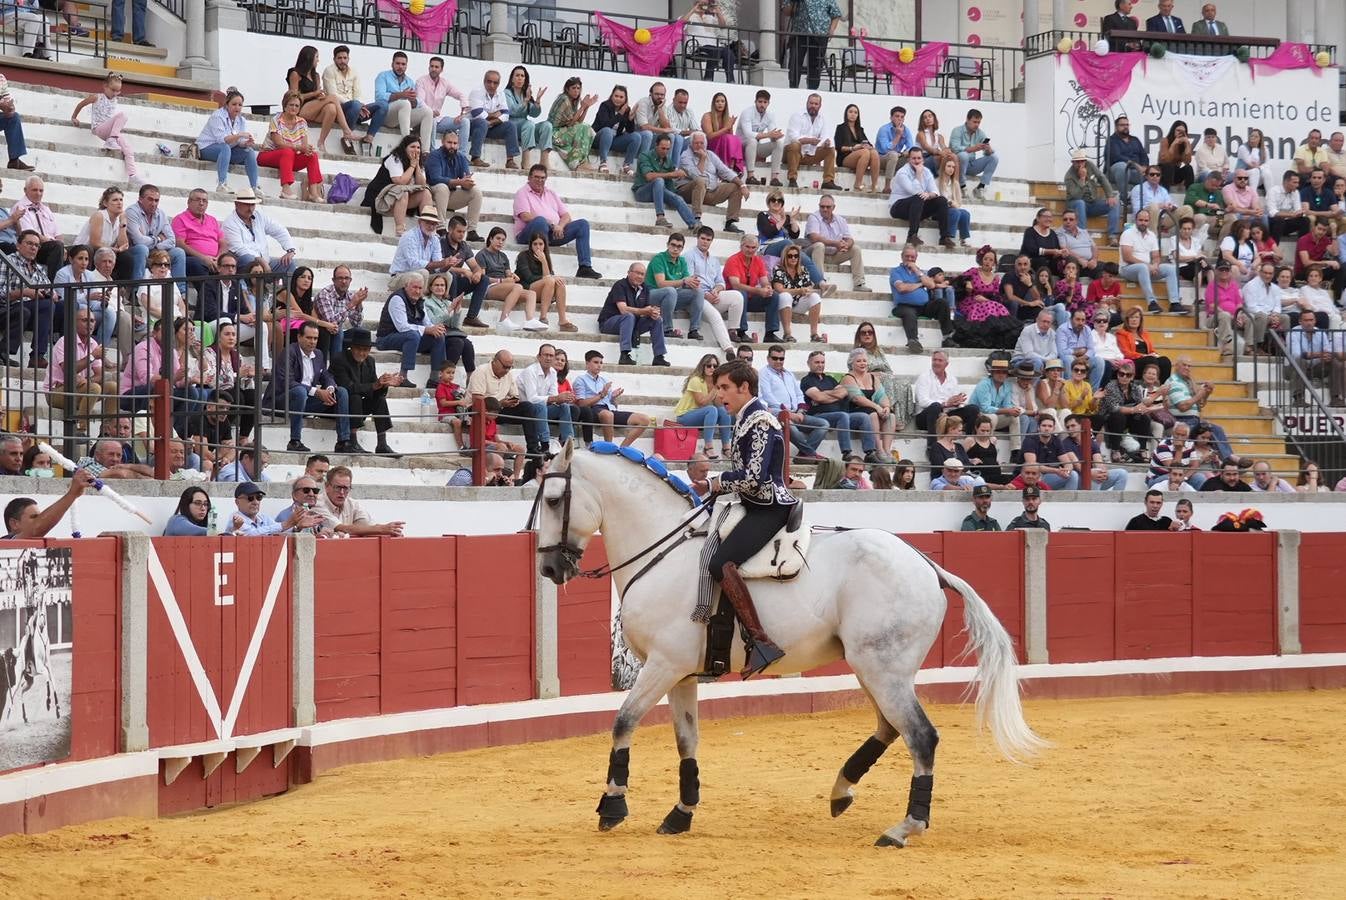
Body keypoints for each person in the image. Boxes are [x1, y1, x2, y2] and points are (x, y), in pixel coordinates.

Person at [704, 358, 794, 676]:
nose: (719, 395)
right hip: (755, 504)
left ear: (744, 387)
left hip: (769, 507)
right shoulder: (747, 418)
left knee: (720, 563)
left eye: (724, 387)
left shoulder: (760, 421)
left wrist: (719, 481)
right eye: (717, 388)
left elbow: (754, 478)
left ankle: (761, 642)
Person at [262, 321, 360, 454]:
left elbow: (326, 376)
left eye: (315, 338)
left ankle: (343, 441)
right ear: (299, 337)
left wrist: (330, 389)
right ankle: (294, 441)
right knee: (300, 391)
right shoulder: (289, 352)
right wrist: (317, 392)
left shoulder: (318, 354)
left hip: (305, 402)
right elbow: (287, 382)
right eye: (309, 338)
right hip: (281, 402)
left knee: (341, 392)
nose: (312, 342)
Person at [513, 164, 601, 279]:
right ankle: (546, 267)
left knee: (582, 224)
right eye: (536, 177)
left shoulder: (551, 193)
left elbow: (566, 216)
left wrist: (560, 226)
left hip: (553, 233)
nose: (540, 180)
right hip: (530, 235)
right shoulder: (522, 192)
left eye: (542, 178)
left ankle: (585, 267)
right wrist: (551, 224)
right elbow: (525, 216)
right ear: (529, 178)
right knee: (540, 221)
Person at [46, 307, 117, 435]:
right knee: (94, 388)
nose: (90, 324)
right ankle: (80, 429)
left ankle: (107, 431)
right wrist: (92, 356)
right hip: (57, 391)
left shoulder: (93, 344)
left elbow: (100, 375)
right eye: (85, 320)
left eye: (92, 321)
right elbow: (68, 370)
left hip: (80, 389)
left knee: (113, 387)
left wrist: (85, 381)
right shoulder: (65, 341)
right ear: (75, 323)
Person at [330, 328, 401, 457]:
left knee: (380, 400)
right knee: (355, 396)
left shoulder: (370, 361)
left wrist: (384, 385)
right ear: (351, 347)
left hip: (357, 409)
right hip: (339, 408)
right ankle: (352, 440)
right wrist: (374, 385)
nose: (362, 353)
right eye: (359, 349)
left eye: (365, 350)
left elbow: (373, 391)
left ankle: (382, 443)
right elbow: (347, 387)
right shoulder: (340, 359)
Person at [801, 349, 879, 463]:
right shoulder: (806, 380)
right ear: (809, 363)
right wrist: (833, 395)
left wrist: (825, 394)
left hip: (840, 415)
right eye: (817, 362)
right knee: (842, 415)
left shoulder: (830, 379)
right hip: (819, 416)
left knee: (863, 416)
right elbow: (818, 397)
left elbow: (844, 392)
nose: (820, 365)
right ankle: (847, 452)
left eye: (822, 362)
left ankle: (870, 452)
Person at [376, 272, 449, 389]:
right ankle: (402, 377)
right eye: (414, 287)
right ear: (406, 286)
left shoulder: (420, 301)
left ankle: (435, 378)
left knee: (438, 336)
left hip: (408, 339)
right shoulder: (397, 299)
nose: (417, 291)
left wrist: (436, 329)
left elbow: (427, 322)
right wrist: (427, 329)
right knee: (413, 335)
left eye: (420, 288)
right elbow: (402, 327)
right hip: (386, 338)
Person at [758, 344, 828, 459]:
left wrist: (800, 412)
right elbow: (768, 396)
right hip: (776, 413)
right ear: (768, 359)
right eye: (775, 358)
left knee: (824, 424)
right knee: (790, 426)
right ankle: (811, 454)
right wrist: (787, 412)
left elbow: (799, 394)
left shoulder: (789, 374)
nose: (778, 361)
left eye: (781, 358)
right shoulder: (763, 373)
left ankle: (804, 455)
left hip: (795, 413)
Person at [70, 73, 140, 187]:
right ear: (105, 86)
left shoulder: (115, 100)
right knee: (123, 116)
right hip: (99, 128)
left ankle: (132, 175)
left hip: (110, 132)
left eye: (118, 91)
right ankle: (111, 140)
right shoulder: (97, 97)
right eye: (113, 90)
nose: (115, 93)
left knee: (128, 148)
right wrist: (74, 117)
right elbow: (81, 104)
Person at [572, 349, 650, 447]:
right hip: (592, 411)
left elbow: (612, 405)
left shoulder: (604, 380)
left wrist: (613, 398)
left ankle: (623, 448)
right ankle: (609, 447)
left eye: (601, 363)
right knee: (608, 415)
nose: (599, 365)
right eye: (596, 362)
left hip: (608, 410)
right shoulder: (580, 380)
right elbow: (581, 404)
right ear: (587, 364)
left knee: (644, 419)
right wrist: (601, 395)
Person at [676, 130, 749, 234]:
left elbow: (725, 171)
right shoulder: (685, 156)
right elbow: (696, 175)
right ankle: (696, 218)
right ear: (691, 144)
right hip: (689, 192)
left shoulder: (710, 154)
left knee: (735, 186)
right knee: (700, 181)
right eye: (696, 143)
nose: (699, 145)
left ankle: (730, 223)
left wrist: (742, 185)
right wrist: (702, 158)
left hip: (709, 191)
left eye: (701, 143)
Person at [600, 263, 670, 367]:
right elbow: (623, 310)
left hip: (632, 323)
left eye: (642, 274)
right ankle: (624, 355)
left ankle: (659, 356)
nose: (640, 276)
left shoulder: (645, 288)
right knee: (628, 316)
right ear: (629, 273)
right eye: (637, 273)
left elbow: (646, 308)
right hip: (610, 323)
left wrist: (652, 312)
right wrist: (644, 311)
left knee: (657, 319)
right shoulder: (620, 285)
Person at [2, 229, 55, 367]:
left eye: (37, 245)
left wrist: (52, 294)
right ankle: (37, 355)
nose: (33, 247)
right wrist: (23, 292)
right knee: (44, 306)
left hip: (34, 310)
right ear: (18, 245)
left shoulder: (39, 268)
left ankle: (67, 357)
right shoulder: (7, 261)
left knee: (66, 307)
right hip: (10, 307)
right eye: (29, 243)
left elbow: (50, 290)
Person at [323, 45, 388, 156]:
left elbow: (357, 93)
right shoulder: (329, 71)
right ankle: (347, 138)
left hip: (356, 109)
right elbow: (333, 95)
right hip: (340, 110)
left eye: (345, 58)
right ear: (334, 59)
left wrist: (359, 107)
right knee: (355, 104)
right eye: (339, 58)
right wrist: (358, 105)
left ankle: (368, 139)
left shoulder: (353, 71)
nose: (342, 61)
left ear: (348, 58)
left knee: (383, 105)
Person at [889, 242, 954, 353]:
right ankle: (913, 341)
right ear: (902, 256)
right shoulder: (896, 271)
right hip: (904, 306)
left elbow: (931, 285)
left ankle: (947, 338)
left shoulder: (920, 272)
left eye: (912, 257)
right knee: (909, 313)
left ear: (916, 258)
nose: (910, 259)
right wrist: (920, 284)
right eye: (907, 256)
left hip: (923, 306)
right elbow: (902, 288)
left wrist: (916, 271)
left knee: (942, 303)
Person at [196, 90, 261, 197]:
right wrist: (239, 135)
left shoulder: (241, 120)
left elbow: (239, 142)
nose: (237, 107)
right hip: (206, 148)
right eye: (234, 104)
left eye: (240, 105)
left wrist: (246, 143)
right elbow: (222, 140)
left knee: (249, 151)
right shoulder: (218, 116)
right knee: (225, 148)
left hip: (227, 151)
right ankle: (222, 184)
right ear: (227, 105)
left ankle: (255, 187)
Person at [515, 343, 574, 456]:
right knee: (540, 406)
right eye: (545, 355)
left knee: (564, 407)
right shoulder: (530, 371)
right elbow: (532, 399)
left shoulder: (553, 372)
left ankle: (568, 443)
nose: (548, 358)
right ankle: (545, 445)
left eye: (551, 356)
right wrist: (556, 398)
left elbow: (554, 396)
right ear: (539, 357)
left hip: (540, 410)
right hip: (525, 409)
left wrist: (564, 398)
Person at [423, 130, 484, 240]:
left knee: (476, 192)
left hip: (450, 195)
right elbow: (435, 179)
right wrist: (460, 182)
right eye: (449, 142)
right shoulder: (434, 155)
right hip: (433, 195)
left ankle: (471, 231)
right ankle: (440, 227)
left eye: (455, 143)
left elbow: (465, 178)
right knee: (442, 187)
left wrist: (467, 183)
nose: (452, 146)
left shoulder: (461, 157)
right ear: (443, 142)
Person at [889, 148, 954, 250]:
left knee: (941, 200)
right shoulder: (902, 173)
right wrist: (918, 175)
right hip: (898, 207)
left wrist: (929, 195)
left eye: (919, 158)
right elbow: (914, 191)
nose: (916, 161)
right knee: (918, 197)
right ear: (908, 159)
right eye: (913, 158)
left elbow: (935, 191)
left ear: (923, 159)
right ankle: (912, 235)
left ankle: (944, 237)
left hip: (917, 207)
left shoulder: (926, 172)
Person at [222, 189, 296, 276]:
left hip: (266, 262)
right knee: (247, 258)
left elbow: (279, 230)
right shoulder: (230, 222)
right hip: (246, 264)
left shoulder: (259, 216)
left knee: (289, 263)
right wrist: (261, 261)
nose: (250, 209)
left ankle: (284, 286)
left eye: (252, 205)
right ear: (237, 204)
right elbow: (239, 249)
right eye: (247, 205)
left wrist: (290, 250)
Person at [2, 470, 95, 539]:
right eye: (34, 517)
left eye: (40, 517)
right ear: (14, 524)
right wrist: (72, 494)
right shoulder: (5, 543)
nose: (41, 520)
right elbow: (36, 530)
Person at [1119, 208, 1180, 313]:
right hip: (1127, 269)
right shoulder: (1127, 233)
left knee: (1170, 268)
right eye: (1141, 220)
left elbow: (1156, 256)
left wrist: (1155, 265)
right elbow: (1127, 257)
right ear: (1136, 220)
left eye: (1146, 220)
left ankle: (1175, 303)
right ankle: (1152, 303)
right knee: (1143, 267)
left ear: (1149, 222)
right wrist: (1148, 266)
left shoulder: (1151, 235)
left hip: (1146, 269)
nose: (1143, 223)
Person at [723, 234, 782, 342]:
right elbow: (735, 285)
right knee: (741, 294)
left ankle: (770, 333)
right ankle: (741, 332)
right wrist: (758, 290)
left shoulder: (758, 260)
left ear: (757, 248)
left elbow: (764, 281)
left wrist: (767, 288)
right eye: (747, 247)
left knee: (773, 296)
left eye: (753, 247)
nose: (750, 250)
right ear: (741, 246)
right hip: (734, 302)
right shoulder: (733, 260)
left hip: (750, 299)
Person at [634, 134, 698, 230]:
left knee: (677, 198)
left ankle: (694, 224)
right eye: (663, 148)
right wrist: (672, 174)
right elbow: (649, 176)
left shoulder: (668, 160)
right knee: (659, 180)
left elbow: (671, 181)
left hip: (660, 191)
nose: (665, 151)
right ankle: (660, 217)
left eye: (668, 149)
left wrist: (679, 176)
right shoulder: (645, 155)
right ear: (656, 145)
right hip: (642, 191)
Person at [806, 195, 868, 292]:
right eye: (822, 206)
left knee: (855, 249)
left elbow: (850, 239)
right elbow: (814, 238)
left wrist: (846, 245)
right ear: (819, 206)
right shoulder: (813, 217)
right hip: (815, 255)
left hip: (834, 255)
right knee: (819, 245)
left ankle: (859, 284)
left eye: (828, 207)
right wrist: (835, 243)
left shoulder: (840, 220)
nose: (825, 209)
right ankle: (819, 282)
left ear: (833, 207)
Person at [675, 354, 733, 457]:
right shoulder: (696, 380)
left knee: (723, 411)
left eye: (715, 366)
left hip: (702, 416)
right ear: (703, 366)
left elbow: (718, 404)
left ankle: (726, 447)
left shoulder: (715, 382)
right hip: (685, 416)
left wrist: (722, 389)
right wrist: (715, 388)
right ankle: (708, 447)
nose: (712, 368)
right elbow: (701, 402)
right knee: (711, 409)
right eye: (709, 365)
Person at [1288, 308, 1346, 406]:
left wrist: (1327, 356)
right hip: (1293, 369)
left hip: (1315, 368)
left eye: (1311, 320)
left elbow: (1327, 350)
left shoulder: (1320, 333)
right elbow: (1297, 355)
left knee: (1335, 361)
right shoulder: (1293, 333)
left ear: (1315, 321)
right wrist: (1319, 354)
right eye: (1306, 320)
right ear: (1300, 321)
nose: (1309, 323)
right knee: (1300, 361)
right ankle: (1298, 398)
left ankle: (1336, 398)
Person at [913, 349, 978, 435]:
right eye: (934, 360)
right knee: (935, 406)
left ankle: (968, 438)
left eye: (940, 360)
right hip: (926, 417)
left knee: (973, 409)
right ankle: (932, 441)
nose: (936, 363)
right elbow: (923, 402)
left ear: (946, 364)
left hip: (947, 415)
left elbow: (954, 400)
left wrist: (958, 402)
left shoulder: (952, 379)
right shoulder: (924, 377)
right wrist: (945, 404)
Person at [223, 481, 325, 536]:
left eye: (259, 498)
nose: (255, 502)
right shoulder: (235, 518)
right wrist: (287, 523)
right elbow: (252, 535)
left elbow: (279, 532)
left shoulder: (263, 517)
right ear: (237, 502)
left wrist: (297, 527)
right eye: (250, 498)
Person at [415, 55, 471, 154]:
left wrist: (462, 113)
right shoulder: (421, 81)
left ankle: (461, 155)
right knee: (431, 120)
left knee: (465, 122)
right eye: (432, 66)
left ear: (441, 69)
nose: (433, 69)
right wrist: (430, 112)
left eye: (436, 67)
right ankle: (432, 153)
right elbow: (420, 101)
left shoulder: (445, 83)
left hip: (439, 120)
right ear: (428, 67)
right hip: (423, 119)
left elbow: (461, 95)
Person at [1064, 150, 1121, 244]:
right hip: (1074, 206)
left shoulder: (1090, 165)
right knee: (1080, 203)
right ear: (1073, 162)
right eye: (1077, 162)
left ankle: (1113, 236)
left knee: (1114, 203)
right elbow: (1076, 196)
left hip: (1092, 203)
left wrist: (1109, 195)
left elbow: (1102, 178)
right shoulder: (1069, 176)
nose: (1080, 164)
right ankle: (1082, 235)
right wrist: (1082, 179)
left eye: (1082, 161)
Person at [784, 93, 839, 191]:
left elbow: (825, 137)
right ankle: (792, 179)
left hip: (810, 155)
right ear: (807, 103)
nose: (813, 106)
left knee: (830, 149)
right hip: (791, 155)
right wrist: (809, 140)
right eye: (811, 103)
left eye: (816, 104)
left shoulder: (822, 119)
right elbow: (793, 137)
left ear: (820, 106)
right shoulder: (797, 116)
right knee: (795, 145)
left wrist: (826, 142)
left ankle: (828, 181)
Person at [593, 85, 651, 176]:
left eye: (621, 97)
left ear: (625, 99)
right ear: (612, 96)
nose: (618, 99)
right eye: (616, 96)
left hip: (614, 140)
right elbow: (605, 125)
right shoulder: (605, 106)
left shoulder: (626, 109)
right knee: (607, 131)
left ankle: (627, 164)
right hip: (600, 139)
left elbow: (630, 130)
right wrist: (620, 114)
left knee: (636, 136)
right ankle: (603, 162)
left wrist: (630, 119)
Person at [466, 70, 519, 168]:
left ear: (498, 84)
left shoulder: (501, 94)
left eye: (495, 83)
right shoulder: (476, 92)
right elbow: (477, 113)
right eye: (489, 82)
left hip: (491, 126)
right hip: (474, 126)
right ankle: (475, 157)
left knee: (510, 125)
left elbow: (506, 114)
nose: (492, 85)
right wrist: (495, 114)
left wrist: (492, 121)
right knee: (482, 122)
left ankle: (510, 160)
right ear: (484, 81)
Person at [503, 65, 552, 171]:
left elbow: (534, 114)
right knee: (529, 124)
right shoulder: (507, 93)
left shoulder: (526, 93)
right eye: (517, 75)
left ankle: (544, 161)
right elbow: (513, 111)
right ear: (512, 79)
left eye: (522, 76)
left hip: (527, 127)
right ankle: (525, 161)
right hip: (513, 125)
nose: (520, 78)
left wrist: (537, 101)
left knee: (547, 125)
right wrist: (525, 100)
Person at [785, 0, 842, 91]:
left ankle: (812, 89)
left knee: (816, 63)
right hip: (800, 33)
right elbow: (786, 11)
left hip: (820, 34)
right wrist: (794, 4)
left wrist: (831, 29)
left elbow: (836, 14)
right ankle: (793, 87)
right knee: (795, 61)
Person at [771, 245, 823, 343]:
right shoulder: (779, 269)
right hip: (782, 304)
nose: (793, 258)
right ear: (785, 257)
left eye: (796, 256)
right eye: (790, 256)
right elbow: (779, 289)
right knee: (785, 296)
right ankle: (787, 334)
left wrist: (807, 291)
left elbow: (808, 287)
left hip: (797, 303)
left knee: (815, 297)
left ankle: (814, 334)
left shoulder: (803, 270)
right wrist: (798, 291)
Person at [736, 89, 785, 187]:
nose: (762, 105)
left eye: (765, 102)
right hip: (740, 146)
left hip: (755, 147)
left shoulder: (770, 115)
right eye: (760, 102)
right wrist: (769, 134)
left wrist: (776, 136)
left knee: (779, 143)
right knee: (752, 140)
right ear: (755, 102)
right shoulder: (747, 112)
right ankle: (750, 176)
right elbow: (748, 134)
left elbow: (772, 133)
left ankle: (774, 178)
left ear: (768, 103)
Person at [948, 109, 998, 199]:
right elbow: (954, 149)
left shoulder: (980, 133)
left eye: (979, 122)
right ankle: (962, 186)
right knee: (963, 155)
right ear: (967, 120)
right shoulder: (957, 130)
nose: (977, 125)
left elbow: (986, 153)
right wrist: (973, 149)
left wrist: (988, 150)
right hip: (956, 166)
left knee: (994, 157)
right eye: (974, 122)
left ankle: (980, 187)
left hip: (971, 165)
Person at [684, 0, 736, 82]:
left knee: (729, 52)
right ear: (696, 4)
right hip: (698, 46)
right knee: (714, 50)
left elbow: (722, 26)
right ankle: (708, 78)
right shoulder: (690, 16)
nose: (704, 6)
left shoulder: (709, 18)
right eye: (702, 4)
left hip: (714, 46)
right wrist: (693, 10)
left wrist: (718, 12)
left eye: (706, 4)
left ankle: (731, 80)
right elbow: (681, 23)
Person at [834, 103, 880, 194]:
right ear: (846, 113)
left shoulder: (860, 129)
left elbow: (868, 143)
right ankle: (857, 184)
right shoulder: (840, 128)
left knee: (874, 152)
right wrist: (852, 148)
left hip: (861, 157)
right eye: (850, 112)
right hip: (845, 158)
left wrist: (868, 146)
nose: (853, 114)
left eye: (855, 112)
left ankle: (874, 185)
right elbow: (838, 147)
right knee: (865, 152)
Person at [1240, 261, 1283, 354]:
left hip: (1269, 315)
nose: (1267, 276)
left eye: (1270, 273)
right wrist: (1269, 316)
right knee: (1262, 316)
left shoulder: (1275, 288)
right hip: (1252, 314)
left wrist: (1275, 315)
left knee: (1285, 318)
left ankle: (1280, 348)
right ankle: (1258, 345)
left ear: (1273, 274)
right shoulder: (1251, 285)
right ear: (1260, 272)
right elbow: (1251, 307)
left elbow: (1277, 305)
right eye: (1265, 273)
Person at [702, 91, 745, 177]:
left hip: (724, 144)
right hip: (711, 144)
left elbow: (731, 138)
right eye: (717, 101)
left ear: (725, 104)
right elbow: (709, 136)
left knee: (735, 138)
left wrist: (730, 126)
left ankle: (733, 167)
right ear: (713, 103)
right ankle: (728, 169)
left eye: (722, 101)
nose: (720, 104)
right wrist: (726, 128)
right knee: (726, 138)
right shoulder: (707, 116)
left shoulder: (727, 118)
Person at [1105, 116, 1148, 202]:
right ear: (1116, 127)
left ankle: (1150, 201)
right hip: (1115, 172)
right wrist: (1135, 165)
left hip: (1135, 172)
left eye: (1127, 125)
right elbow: (1117, 157)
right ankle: (1124, 198)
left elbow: (1144, 156)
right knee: (1122, 166)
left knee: (1154, 173)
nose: (1125, 127)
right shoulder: (1112, 140)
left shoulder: (1135, 140)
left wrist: (1144, 167)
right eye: (1122, 125)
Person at [876, 106, 916, 194]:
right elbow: (885, 149)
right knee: (893, 155)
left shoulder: (906, 130)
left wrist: (905, 153)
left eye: (902, 117)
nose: (899, 119)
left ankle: (910, 188)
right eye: (897, 116)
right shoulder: (884, 129)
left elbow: (911, 147)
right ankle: (887, 187)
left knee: (914, 157)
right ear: (891, 118)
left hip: (897, 158)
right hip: (881, 159)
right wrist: (898, 135)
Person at [935, 157, 972, 249]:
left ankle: (963, 239)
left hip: (953, 208)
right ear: (943, 167)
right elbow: (936, 199)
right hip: (940, 211)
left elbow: (959, 202)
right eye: (948, 166)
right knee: (955, 212)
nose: (951, 169)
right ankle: (948, 237)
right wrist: (949, 203)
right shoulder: (937, 182)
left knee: (965, 213)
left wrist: (954, 204)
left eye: (953, 167)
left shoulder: (955, 183)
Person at [1266, 170, 1309, 242]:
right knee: (1279, 220)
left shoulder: (1296, 192)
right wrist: (1292, 214)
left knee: (1305, 220)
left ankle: (1302, 246)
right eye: (1294, 182)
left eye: (1298, 182)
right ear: (1286, 182)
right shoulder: (1273, 191)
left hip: (1287, 221)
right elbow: (1272, 213)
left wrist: (1301, 212)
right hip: (1272, 222)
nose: (1297, 185)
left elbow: (1297, 209)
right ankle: (1274, 246)